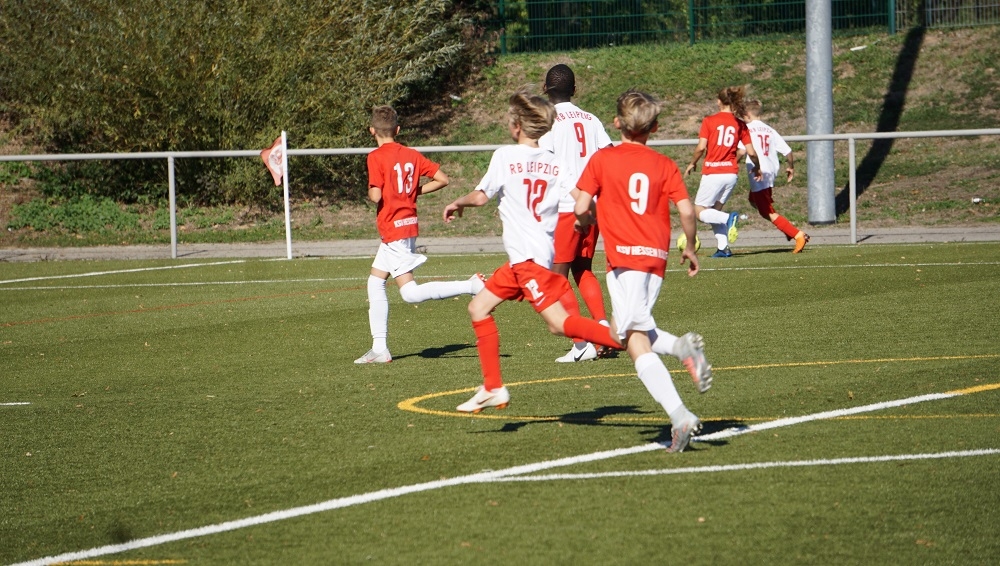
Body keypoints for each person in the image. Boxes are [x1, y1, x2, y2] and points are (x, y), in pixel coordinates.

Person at [442, 89, 622, 414]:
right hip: (526, 258)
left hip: (529, 261)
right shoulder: (555, 163)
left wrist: (458, 201)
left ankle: (631, 341)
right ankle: (492, 387)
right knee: (478, 308)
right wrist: (586, 219)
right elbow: (583, 198)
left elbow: (482, 196)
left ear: (516, 127)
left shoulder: (505, 156)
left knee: (558, 325)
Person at [574, 89, 713, 453]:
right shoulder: (664, 164)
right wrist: (691, 245)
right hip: (654, 258)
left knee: (632, 340)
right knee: (627, 333)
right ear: (655, 127)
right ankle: (681, 349)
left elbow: (581, 204)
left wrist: (582, 220)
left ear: (616, 123)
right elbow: (685, 210)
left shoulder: (602, 159)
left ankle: (680, 414)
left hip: (624, 260)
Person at [355, 105, 485, 364]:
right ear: (398, 129)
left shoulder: (375, 157)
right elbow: (443, 179)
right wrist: (415, 192)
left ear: (372, 131)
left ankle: (471, 285)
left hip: (394, 228)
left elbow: (376, 195)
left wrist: (372, 192)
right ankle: (379, 347)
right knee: (375, 281)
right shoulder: (411, 154)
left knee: (410, 293)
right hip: (406, 225)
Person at [538, 63, 615, 363]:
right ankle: (604, 328)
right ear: (574, 90)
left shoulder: (548, 121)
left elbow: (543, 166)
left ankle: (582, 343)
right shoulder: (591, 119)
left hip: (564, 209)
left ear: (545, 90)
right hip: (590, 207)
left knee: (554, 279)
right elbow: (608, 154)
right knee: (583, 269)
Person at [684, 86, 762, 258]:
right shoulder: (740, 124)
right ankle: (723, 248)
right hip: (731, 174)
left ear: (719, 101)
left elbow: (701, 148)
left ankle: (729, 218)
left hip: (714, 171)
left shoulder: (709, 121)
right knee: (713, 212)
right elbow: (751, 152)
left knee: (699, 211)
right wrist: (757, 167)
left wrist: (692, 163)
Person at [738, 99, 809, 253]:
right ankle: (787, 229)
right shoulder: (769, 130)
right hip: (770, 172)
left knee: (767, 211)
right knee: (754, 200)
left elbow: (742, 151)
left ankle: (798, 235)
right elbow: (788, 151)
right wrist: (790, 167)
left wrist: (730, 163)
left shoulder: (746, 129)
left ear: (747, 114)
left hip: (759, 173)